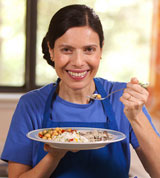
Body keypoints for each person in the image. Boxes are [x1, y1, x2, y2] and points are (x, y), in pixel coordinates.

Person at [1, 4, 160, 178]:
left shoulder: (121, 98)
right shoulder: (31, 104)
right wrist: (54, 155)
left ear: (101, 50)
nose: (78, 62)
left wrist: (136, 117)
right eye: (66, 50)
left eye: (89, 49)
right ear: (51, 50)